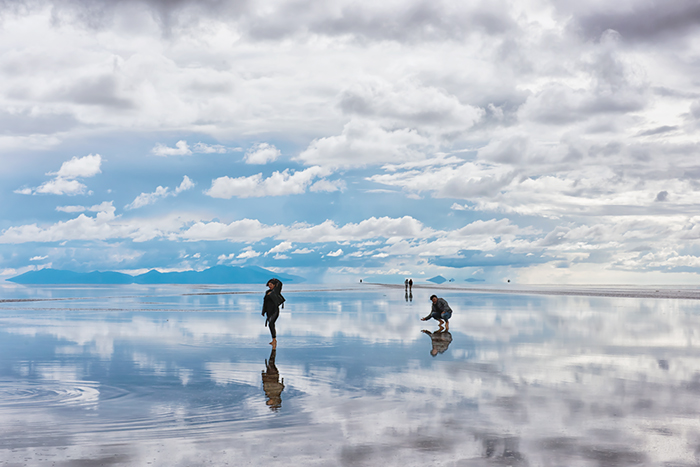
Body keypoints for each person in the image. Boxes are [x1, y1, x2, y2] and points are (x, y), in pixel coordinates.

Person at [262, 278, 285, 348]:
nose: (270, 286)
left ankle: (274, 340)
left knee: (271, 323)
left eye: (271, 285)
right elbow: (265, 303)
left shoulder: (276, 291)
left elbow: (280, 284)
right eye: (269, 285)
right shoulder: (267, 292)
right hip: (268, 311)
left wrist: (276, 280)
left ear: (275, 285)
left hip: (274, 310)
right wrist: (263, 311)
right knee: (270, 324)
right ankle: (273, 340)